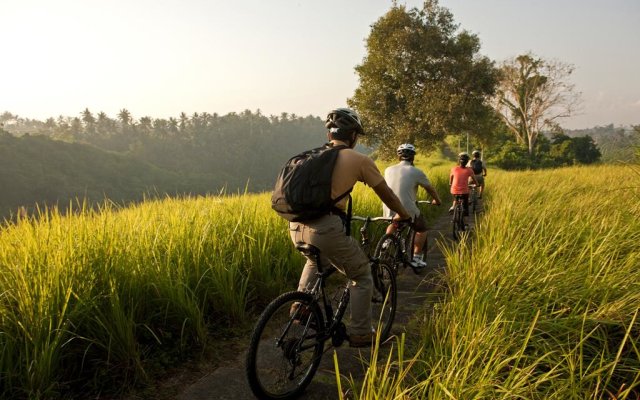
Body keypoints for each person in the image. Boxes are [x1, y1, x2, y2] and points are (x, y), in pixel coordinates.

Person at [288, 107, 413, 348]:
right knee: (362, 275)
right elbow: (386, 194)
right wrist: (404, 215)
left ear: (329, 135)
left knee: (315, 261)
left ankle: (301, 307)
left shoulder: (310, 157)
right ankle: (360, 333)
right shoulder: (359, 160)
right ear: (353, 136)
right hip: (325, 229)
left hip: (295, 226)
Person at [382, 143, 442, 269]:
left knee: (393, 223)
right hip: (406, 209)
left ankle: (386, 242)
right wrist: (437, 200)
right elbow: (430, 189)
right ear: (412, 157)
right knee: (422, 229)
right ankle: (416, 258)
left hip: (389, 208)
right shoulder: (416, 171)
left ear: (399, 157)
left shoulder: (388, 170)